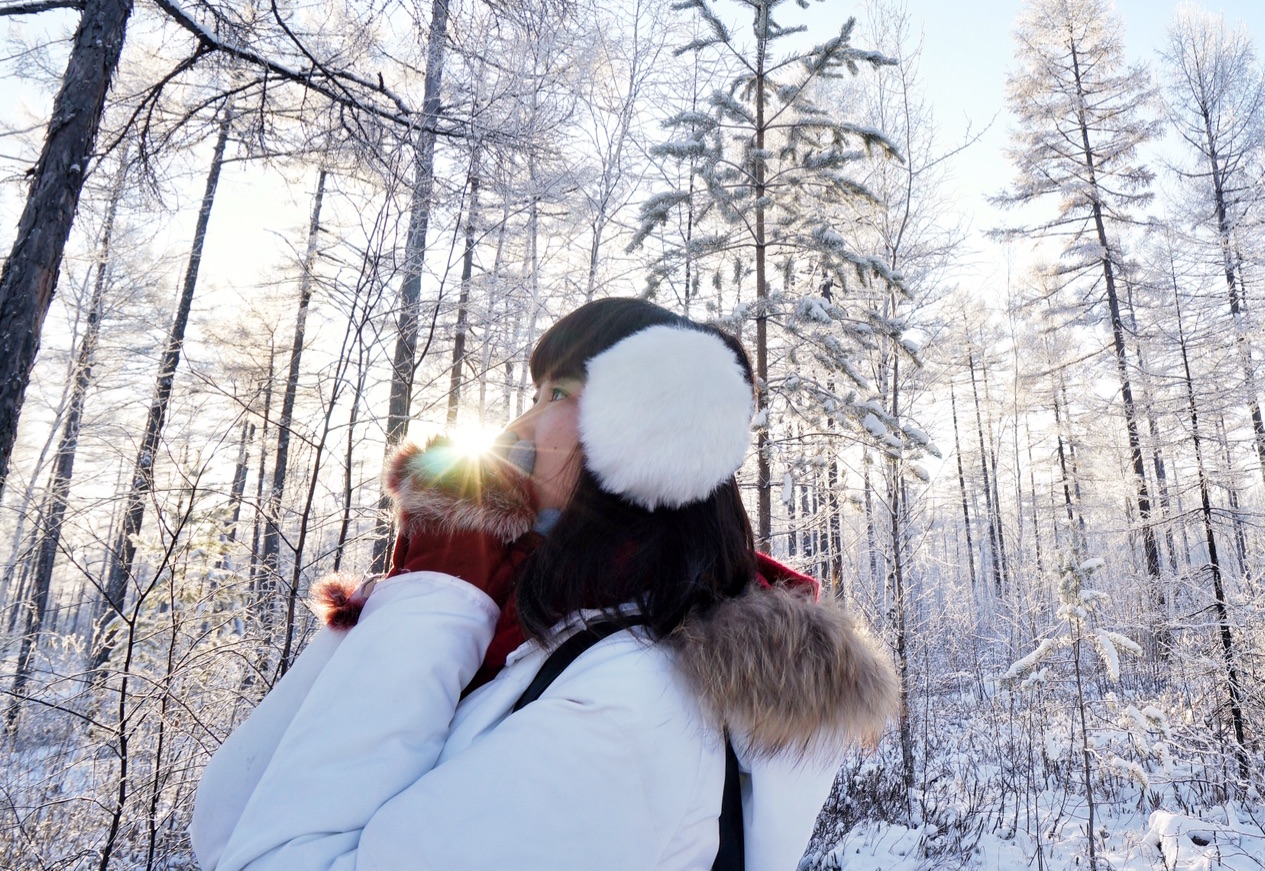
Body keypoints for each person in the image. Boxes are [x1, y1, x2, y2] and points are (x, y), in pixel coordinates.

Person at [189, 298, 898, 871]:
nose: (520, 421)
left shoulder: (634, 706)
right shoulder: (524, 640)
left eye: (557, 391)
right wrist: (420, 600)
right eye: (532, 392)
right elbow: (226, 824)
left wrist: (438, 593)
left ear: (644, 432)